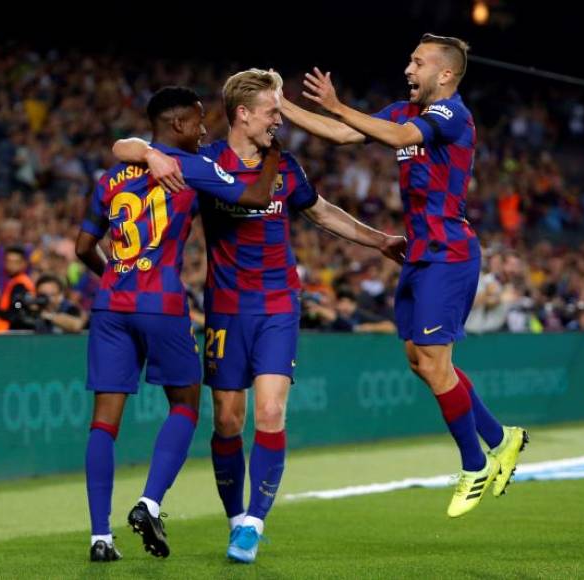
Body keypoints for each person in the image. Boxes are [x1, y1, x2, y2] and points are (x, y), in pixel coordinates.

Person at [113, 69, 404, 562]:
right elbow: (124, 148)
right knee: (228, 420)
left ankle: (253, 521)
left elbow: (323, 212)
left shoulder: (285, 166)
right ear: (243, 115)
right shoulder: (204, 162)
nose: (279, 119)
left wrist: (380, 241)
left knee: (269, 411)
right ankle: (234, 518)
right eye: (273, 110)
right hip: (225, 309)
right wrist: (149, 152)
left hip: (276, 306)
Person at [282, 33, 528, 517]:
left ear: (445, 74)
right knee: (420, 361)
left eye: (418, 62)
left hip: (449, 252)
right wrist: (282, 106)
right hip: (418, 253)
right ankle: (503, 438)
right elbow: (342, 134)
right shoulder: (403, 109)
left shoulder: (451, 114)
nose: (408, 69)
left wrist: (337, 103)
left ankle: (474, 463)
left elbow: (396, 139)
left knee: (436, 363)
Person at [76, 86, 281, 563]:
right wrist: (272, 153)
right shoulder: (191, 167)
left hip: (111, 305)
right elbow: (254, 196)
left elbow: (84, 247)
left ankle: (99, 537)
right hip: (161, 302)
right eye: (198, 121)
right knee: (186, 404)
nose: (205, 130)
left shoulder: (110, 177)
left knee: (103, 422)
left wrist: (115, 276)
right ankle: (149, 502)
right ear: (179, 126)